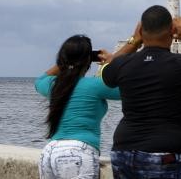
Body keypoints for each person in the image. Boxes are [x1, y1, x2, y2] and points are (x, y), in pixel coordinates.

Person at [101, 5, 181, 179]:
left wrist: (134, 41)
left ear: (141, 31)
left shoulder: (123, 64)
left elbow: (105, 70)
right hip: (166, 155)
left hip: (123, 153)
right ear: (172, 31)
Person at [35, 35, 120, 179]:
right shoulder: (95, 85)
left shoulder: (54, 85)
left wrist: (67, 60)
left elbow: (39, 81)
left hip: (50, 152)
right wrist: (113, 64)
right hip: (79, 151)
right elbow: (129, 90)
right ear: (88, 60)